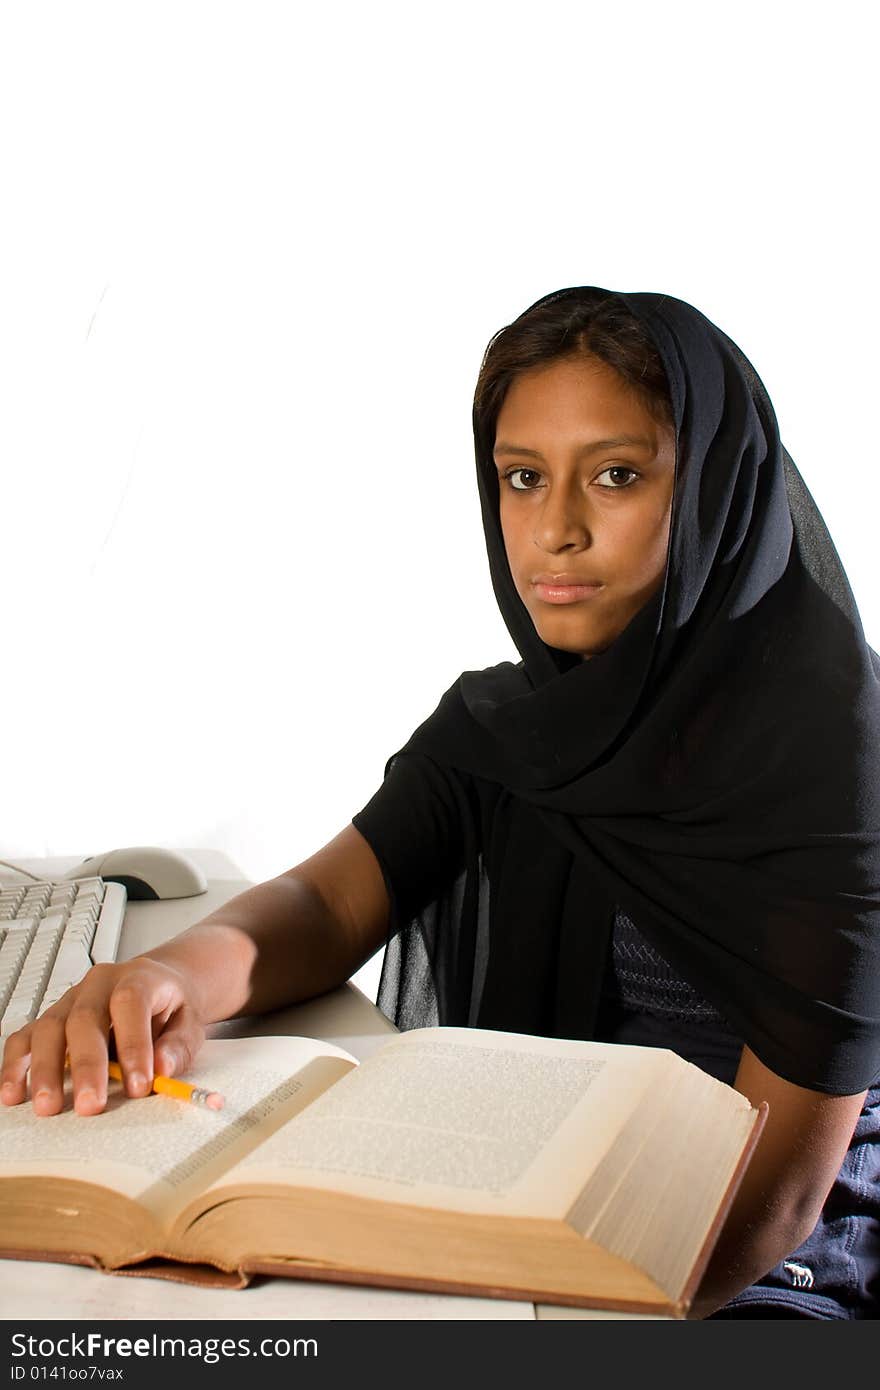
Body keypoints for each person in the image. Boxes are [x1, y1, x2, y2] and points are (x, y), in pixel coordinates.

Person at [2, 286, 879, 1320]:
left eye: (615, 474)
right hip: (552, 1191)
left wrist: (508, 1324)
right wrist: (168, 975)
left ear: (716, 493)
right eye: (520, 477)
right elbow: (327, 906)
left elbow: (772, 1200)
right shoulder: (509, 727)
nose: (554, 528)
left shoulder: (838, 775)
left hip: (775, 1244)